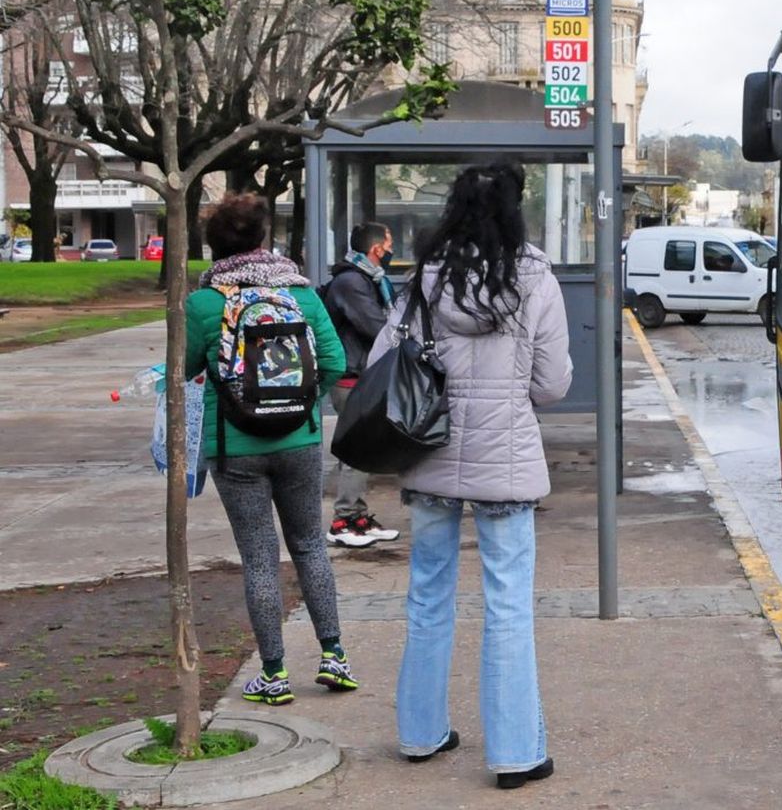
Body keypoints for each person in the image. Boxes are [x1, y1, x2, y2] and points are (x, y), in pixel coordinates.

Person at [374, 163, 571, 789]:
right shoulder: (535, 276)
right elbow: (552, 383)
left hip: (429, 457)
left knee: (427, 595)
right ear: (516, 209)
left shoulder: (423, 277)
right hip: (506, 466)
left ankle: (419, 733)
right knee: (507, 604)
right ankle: (515, 754)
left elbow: (384, 362)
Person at [185, 193, 355, 705]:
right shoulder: (301, 295)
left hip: (233, 447)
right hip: (299, 440)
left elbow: (188, 366)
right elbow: (334, 360)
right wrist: (301, 402)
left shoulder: (203, 304)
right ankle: (334, 656)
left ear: (214, 247)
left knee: (259, 558)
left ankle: (274, 675)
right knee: (309, 546)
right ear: (264, 240)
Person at [321, 222, 402, 547]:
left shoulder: (368, 280)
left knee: (364, 446)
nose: (392, 251)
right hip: (350, 377)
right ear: (377, 249)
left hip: (361, 375)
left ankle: (357, 515)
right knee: (358, 448)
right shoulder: (352, 283)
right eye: (390, 243)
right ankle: (345, 520)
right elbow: (378, 327)